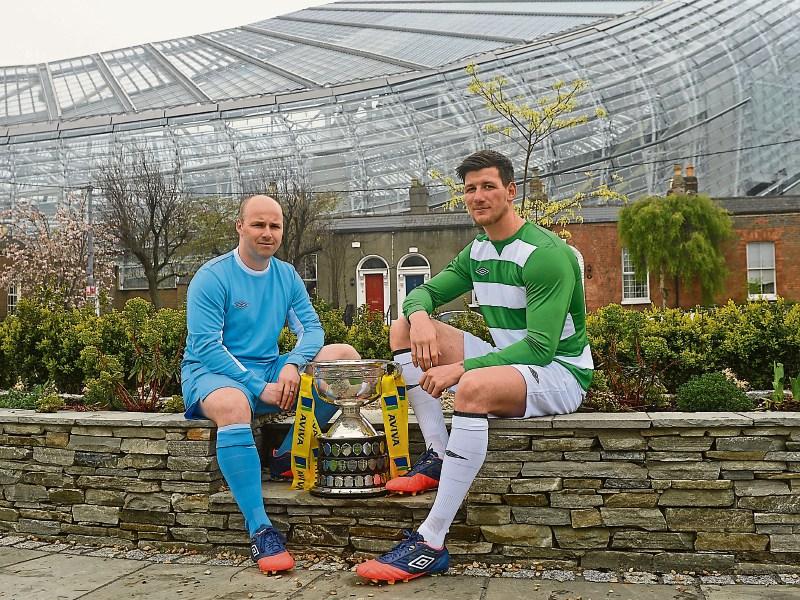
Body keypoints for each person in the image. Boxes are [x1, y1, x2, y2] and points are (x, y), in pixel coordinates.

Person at [356, 150, 592, 584]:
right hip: (509, 360)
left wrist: (460, 369)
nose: (478, 196)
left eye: (488, 186)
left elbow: (540, 349)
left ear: (510, 191)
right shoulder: (478, 251)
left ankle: (430, 542)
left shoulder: (546, 255)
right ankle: (437, 454)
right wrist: (421, 317)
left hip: (559, 372)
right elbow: (421, 295)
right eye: (470, 189)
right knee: (402, 329)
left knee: (471, 389)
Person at [181, 194, 358, 574]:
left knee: (342, 357)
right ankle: (260, 528)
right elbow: (208, 347)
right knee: (233, 406)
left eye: (274, 226)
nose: (267, 233)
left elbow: (312, 329)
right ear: (240, 227)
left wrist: (293, 364)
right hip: (213, 374)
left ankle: (285, 456)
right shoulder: (212, 278)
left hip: (269, 370)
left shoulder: (286, 275)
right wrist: (258, 387)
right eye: (258, 224)